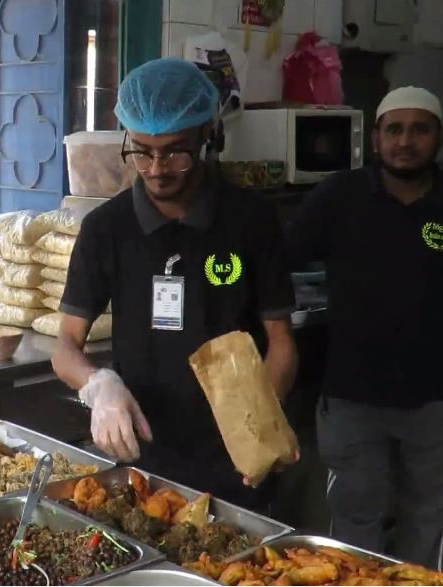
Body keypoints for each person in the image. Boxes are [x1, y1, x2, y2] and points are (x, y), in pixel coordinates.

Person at [286, 86, 443, 566]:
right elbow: (284, 255)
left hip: (439, 395)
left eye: (420, 130)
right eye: (394, 129)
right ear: (375, 138)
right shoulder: (339, 196)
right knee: (355, 523)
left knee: (426, 517)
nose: (405, 141)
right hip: (353, 394)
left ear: (439, 137)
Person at [52, 57, 299, 511]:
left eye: (176, 152)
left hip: (237, 458)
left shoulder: (252, 221)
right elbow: (66, 345)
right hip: (143, 456)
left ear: (209, 136)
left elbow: (281, 342)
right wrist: (98, 385)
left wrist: (262, 421)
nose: (157, 168)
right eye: (141, 151)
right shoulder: (106, 229)